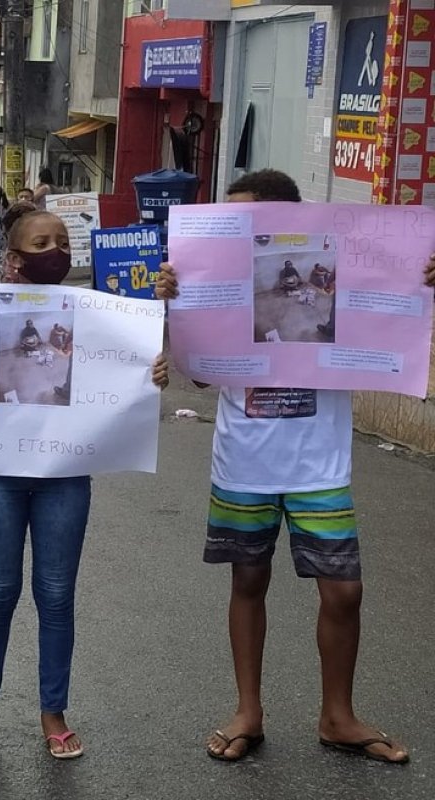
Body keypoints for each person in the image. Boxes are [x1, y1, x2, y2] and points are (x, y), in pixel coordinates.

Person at [155, 168, 435, 764]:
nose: (233, 229)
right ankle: (247, 710)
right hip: (244, 460)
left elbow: (393, 330)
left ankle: (338, 716)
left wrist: (420, 287)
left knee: (344, 592)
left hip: (320, 466)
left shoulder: (345, 272)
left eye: (245, 217)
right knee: (248, 581)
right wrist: (178, 307)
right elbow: (202, 375)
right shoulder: (221, 275)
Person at [0, 202, 169, 756]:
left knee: (55, 595)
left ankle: (54, 712)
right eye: (40, 245)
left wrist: (155, 368)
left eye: (61, 243)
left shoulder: (98, 313)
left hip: (64, 475)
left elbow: (131, 363)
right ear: (15, 258)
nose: (54, 254)